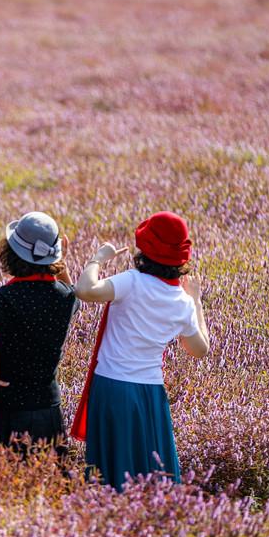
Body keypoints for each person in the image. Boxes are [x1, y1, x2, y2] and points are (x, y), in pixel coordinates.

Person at [72, 211, 210, 492]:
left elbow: (85, 290)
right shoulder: (181, 302)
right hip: (150, 393)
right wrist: (196, 301)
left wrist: (98, 259)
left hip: (112, 386)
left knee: (110, 472)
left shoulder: (132, 281)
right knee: (151, 472)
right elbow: (199, 349)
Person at [0, 211, 79, 454]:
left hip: (7, 410)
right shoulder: (65, 298)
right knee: (49, 481)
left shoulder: (3, 298)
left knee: (6, 483)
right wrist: (61, 263)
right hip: (48, 410)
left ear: (10, 253)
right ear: (55, 255)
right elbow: (72, 291)